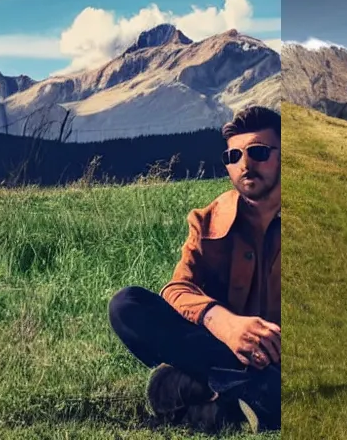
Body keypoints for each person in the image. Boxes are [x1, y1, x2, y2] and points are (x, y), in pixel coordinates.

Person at [108, 106, 280, 433]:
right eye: (233, 156)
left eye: (258, 151)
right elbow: (176, 291)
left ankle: (214, 394)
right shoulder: (207, 221)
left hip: (282, 354)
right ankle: (251, 393)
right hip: (223, 349)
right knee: (126, 305)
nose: (245, 163)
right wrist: (226, 324)